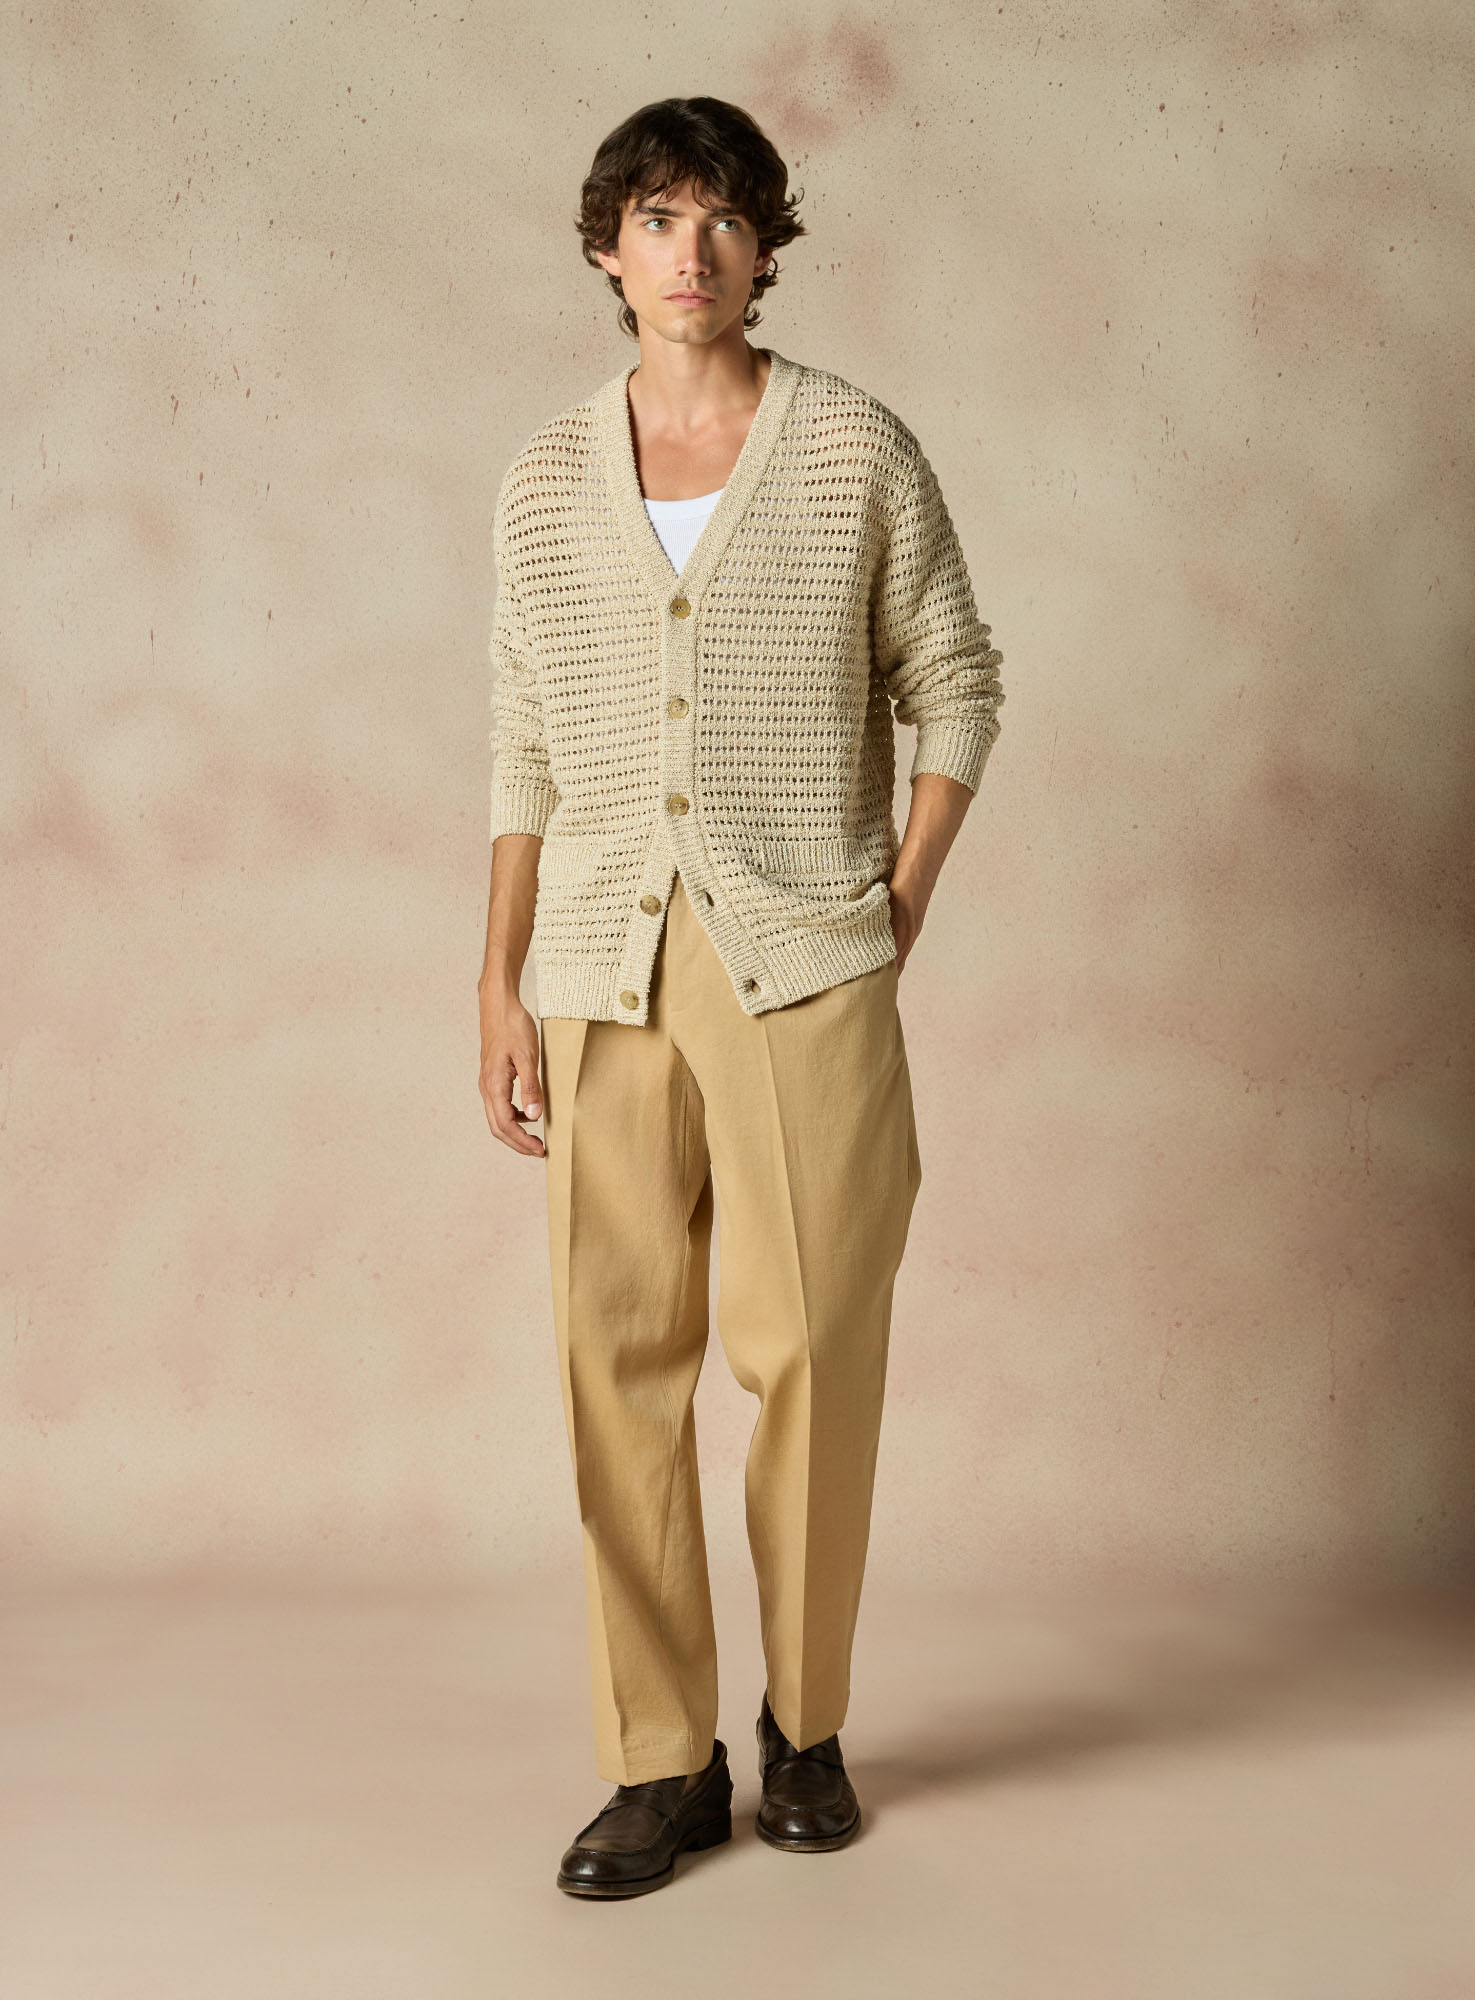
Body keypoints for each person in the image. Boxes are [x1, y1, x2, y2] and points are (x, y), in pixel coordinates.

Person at [477, 95, 1005, 1899]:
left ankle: (808, 1730)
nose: (688, 250)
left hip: (805, 965)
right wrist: (499, 979)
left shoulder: (854, 450)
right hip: (599, 969)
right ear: (606, 250)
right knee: (612, 1365)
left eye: (720, 217)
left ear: (766, 246)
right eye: (654, 217)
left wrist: (899, 902)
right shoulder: (543, 480)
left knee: (815, 1354)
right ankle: (659, 1761)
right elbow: (523, 743)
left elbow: (958, 681)